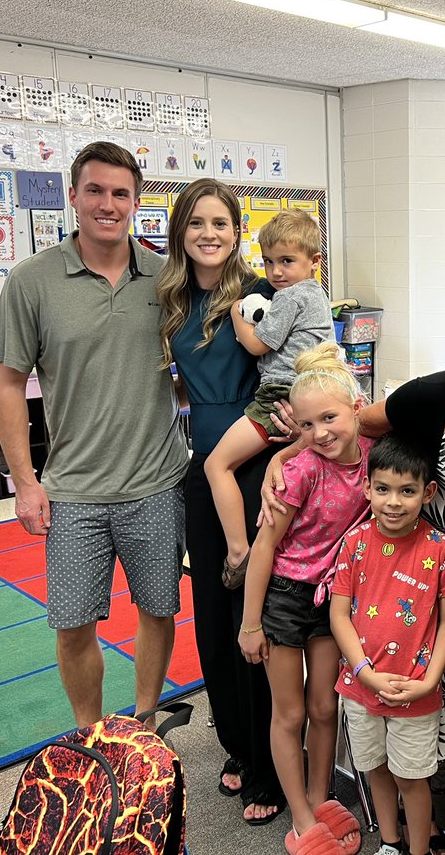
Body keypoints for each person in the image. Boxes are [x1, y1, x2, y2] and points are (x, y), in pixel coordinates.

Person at [261, 276, 445, 845]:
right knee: (427, 711)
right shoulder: (436, 394)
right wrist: (292, 452)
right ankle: (432, 821)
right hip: (427, 585)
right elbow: (351, 424)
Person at [0, 142, 188, 729]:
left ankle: (147, 725)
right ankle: (92, 735)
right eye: (95, 191)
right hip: (73, 491)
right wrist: (25, 483)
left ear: (136, 200)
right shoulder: (32, 280)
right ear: (73, 197)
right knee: (73, 622)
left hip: (157, 481)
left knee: (158, 609)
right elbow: (7, 384)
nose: (108, 204)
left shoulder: (165, 277)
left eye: (121, 193)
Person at [157, 177, 283, 824]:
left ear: (237, 232)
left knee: (252, 621)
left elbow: (290, 373)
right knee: (210, 616)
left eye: (222, 223)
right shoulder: (175, 300)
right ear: (181, 231)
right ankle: (235, 743)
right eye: (197, 222)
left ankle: (269, 765)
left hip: (251, 470)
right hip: (199, 473)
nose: (210, 233)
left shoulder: (257, 295)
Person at [238, 342, 371, 855]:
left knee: (324, 704)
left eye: (331, 418)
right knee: (290, 712)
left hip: (333, 598)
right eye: (309, 426)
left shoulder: (371, 455)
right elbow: (265, 546)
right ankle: (299, 814)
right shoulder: (301, 469)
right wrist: (252, 624)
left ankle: (320, 797)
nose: (321, 434)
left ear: (357, 410)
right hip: (285, 597)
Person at [329, 435, 445, 855]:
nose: (393, 502)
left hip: (415, 692)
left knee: (412, 777)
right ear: (367, 488)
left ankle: (418, 848)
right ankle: (390, 842)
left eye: (407, 491)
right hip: (360, 686)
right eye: (383, 489)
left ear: (427, 493)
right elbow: (339, 615)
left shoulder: (440, 550)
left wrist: (430, 682)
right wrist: (365, 673)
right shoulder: (354, 544)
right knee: (375, 770)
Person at [206, 208, 334, 582]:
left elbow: (259, 345)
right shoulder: (314, 295)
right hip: (307, 389)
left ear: (314, 262)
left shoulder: (292, 297)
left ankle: (238, 553)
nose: (276, 272)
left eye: (287, 261)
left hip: (280, 394)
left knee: (217, 465)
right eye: (268, 263)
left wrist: (235, 314)